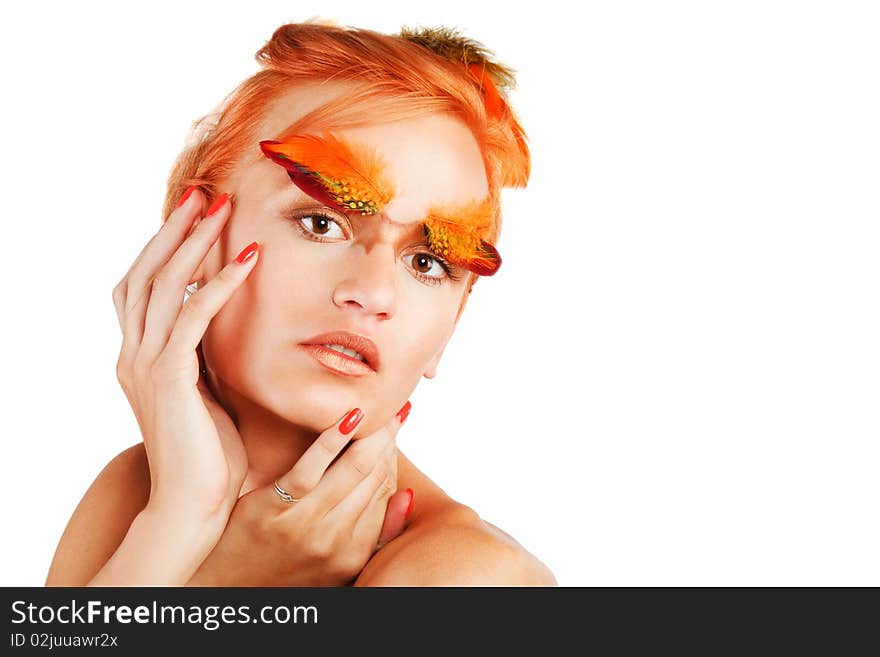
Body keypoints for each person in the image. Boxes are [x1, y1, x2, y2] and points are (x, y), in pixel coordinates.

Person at [45, 19, 556, 586]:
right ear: (195, 244)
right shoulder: (140, 491)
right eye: (321, 222)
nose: (375, 292)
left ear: (453, 322)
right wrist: (184, 521)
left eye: (429, 262)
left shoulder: (468, 580)